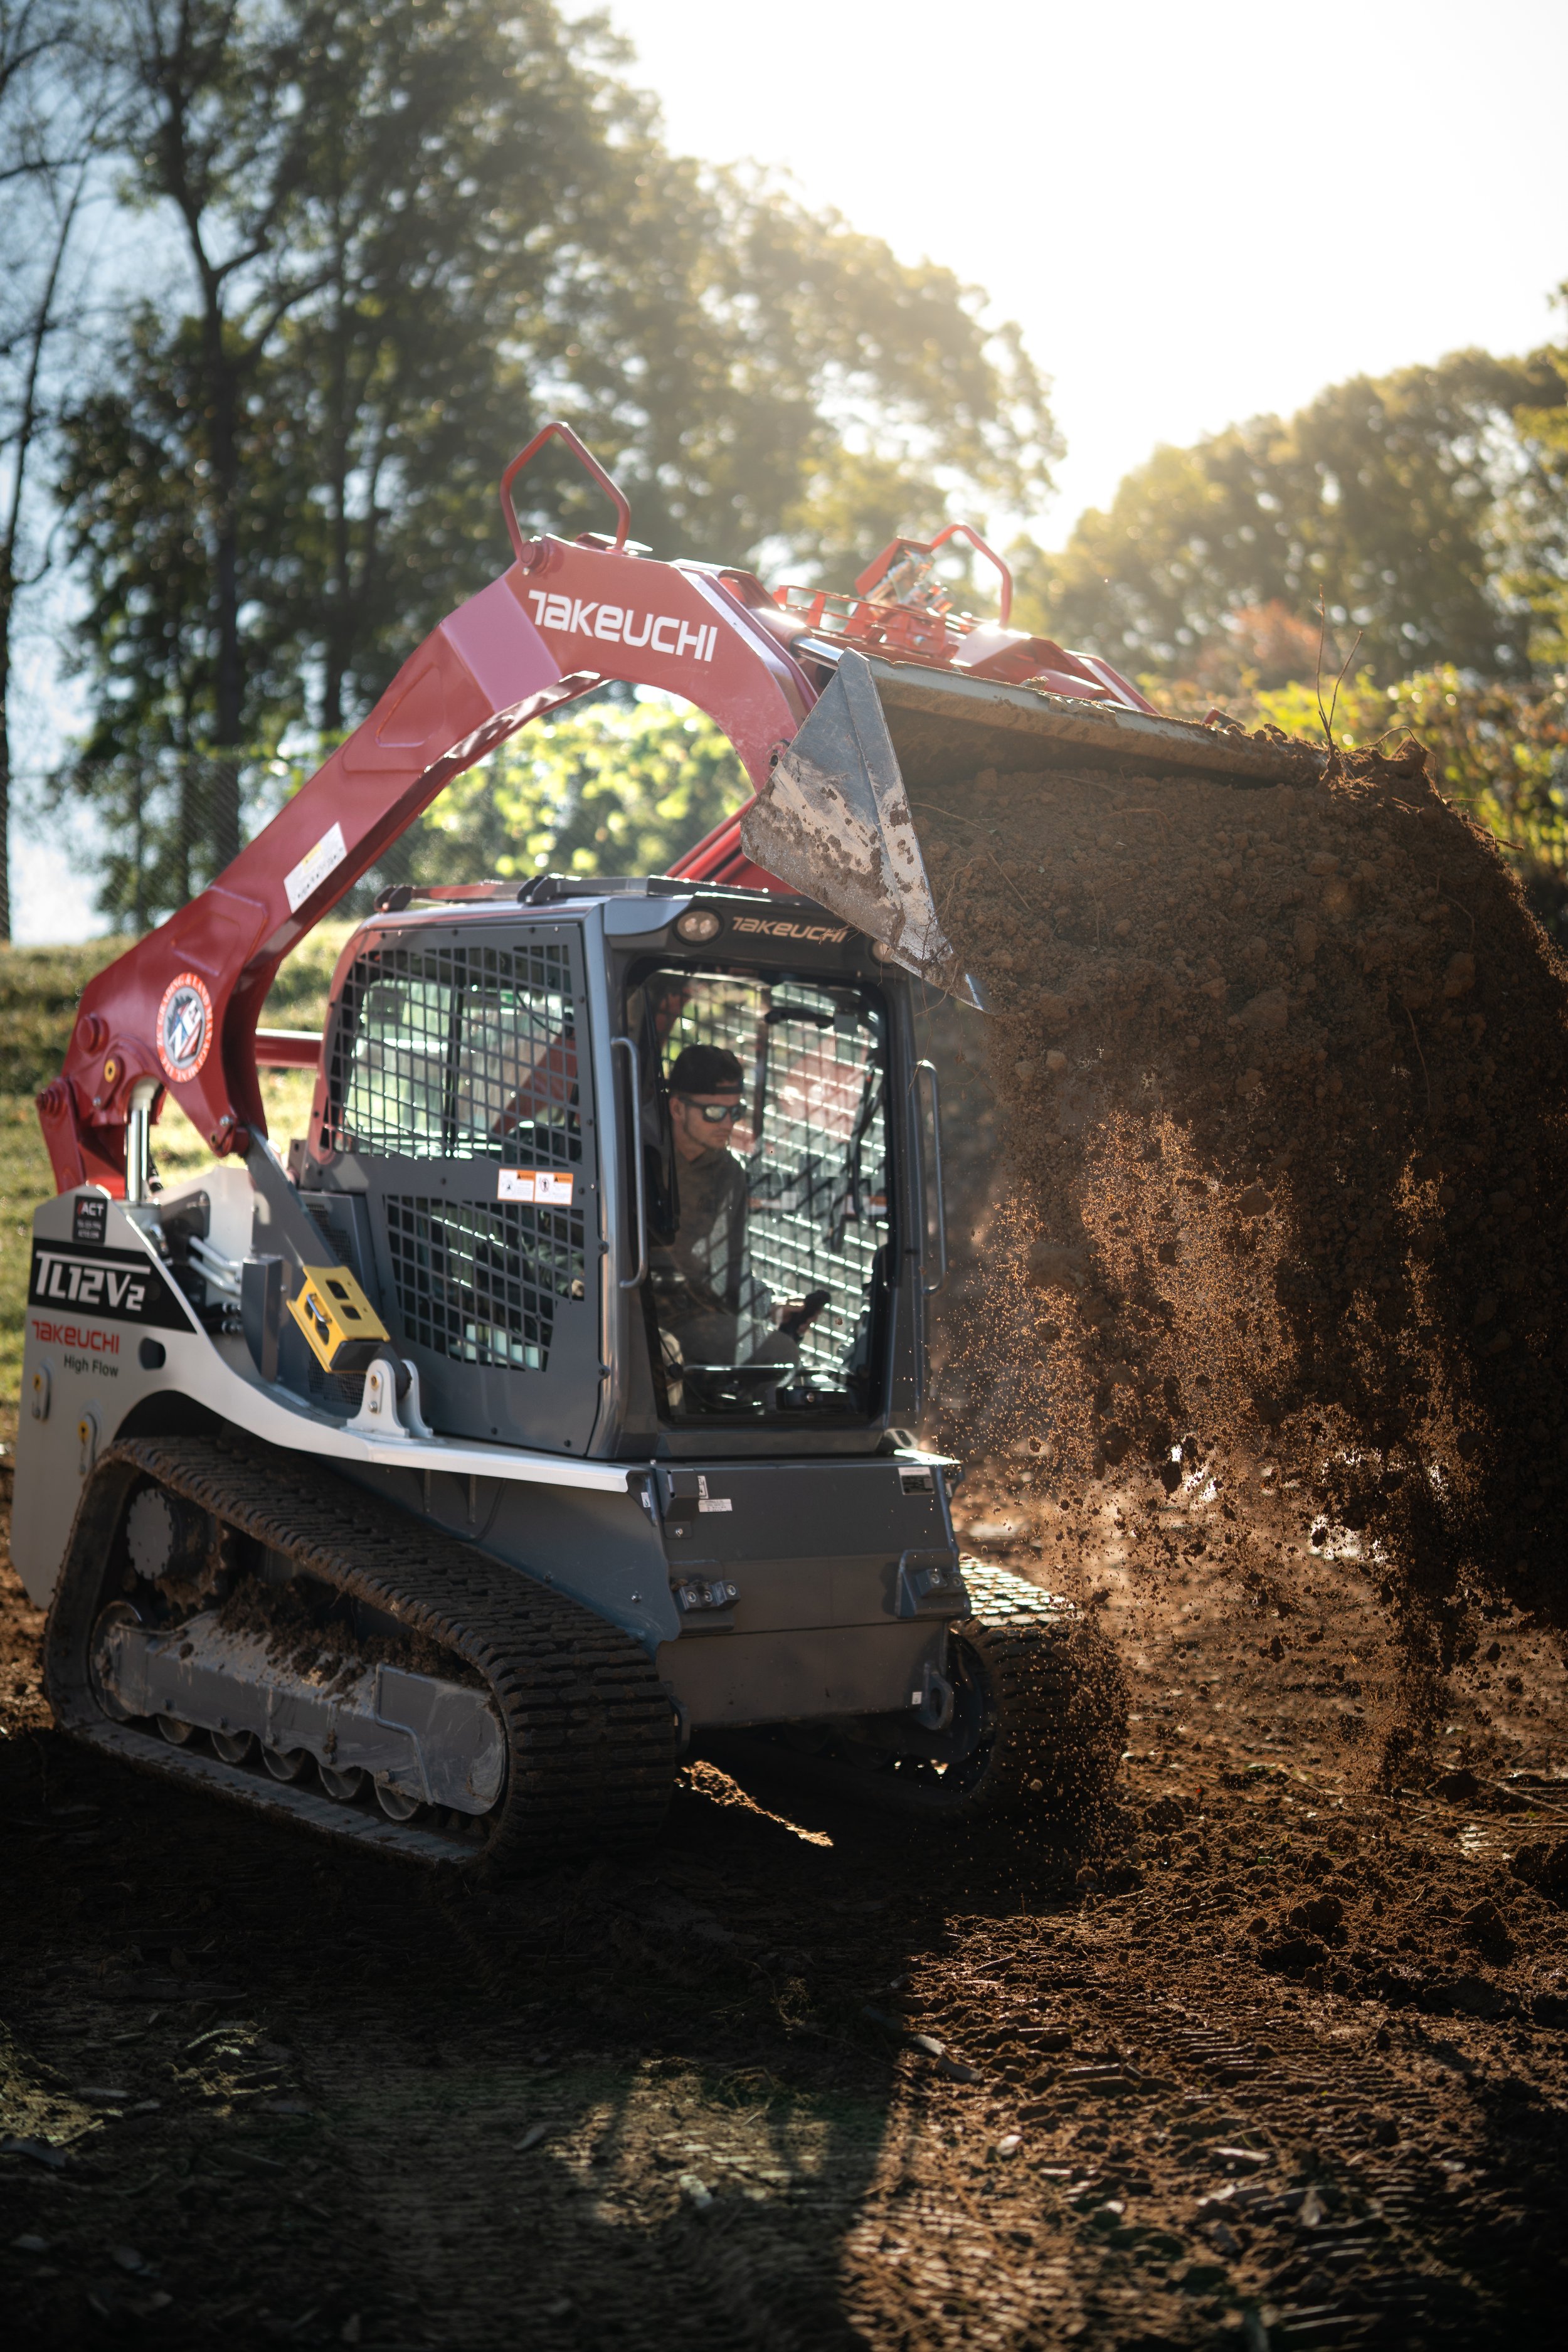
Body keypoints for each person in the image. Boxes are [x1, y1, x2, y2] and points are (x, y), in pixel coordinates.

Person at [650, 1042, 822, 1377]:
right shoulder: (637, 1157)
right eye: (715, 1112)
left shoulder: (728, 1174)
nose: (728, 1124)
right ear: (677, 1108)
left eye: (736, 1112)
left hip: (692, 1317)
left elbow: (729, 1269)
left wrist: (771, 1309)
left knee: (781, 1358)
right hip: (633, 1314)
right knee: (778, 1355)